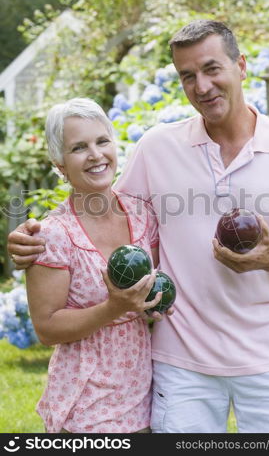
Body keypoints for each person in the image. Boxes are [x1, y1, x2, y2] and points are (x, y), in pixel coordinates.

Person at [8, 20, 269, 433]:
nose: (202, 86)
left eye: (212, 69)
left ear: (241, 66)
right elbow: (102, 207)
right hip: (180, 367)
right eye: (187, 76)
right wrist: (30, 238)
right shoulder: (157, 148)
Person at [22, 97, 167, 434]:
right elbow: (47, 328)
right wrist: (112, 308)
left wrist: (155, 306)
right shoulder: (53, 235)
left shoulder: (142, 215)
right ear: (60, 163)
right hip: (86, 407)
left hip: (144, 397)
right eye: (79, 147)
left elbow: (153, 287)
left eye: (102, 141)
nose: (96, 155)